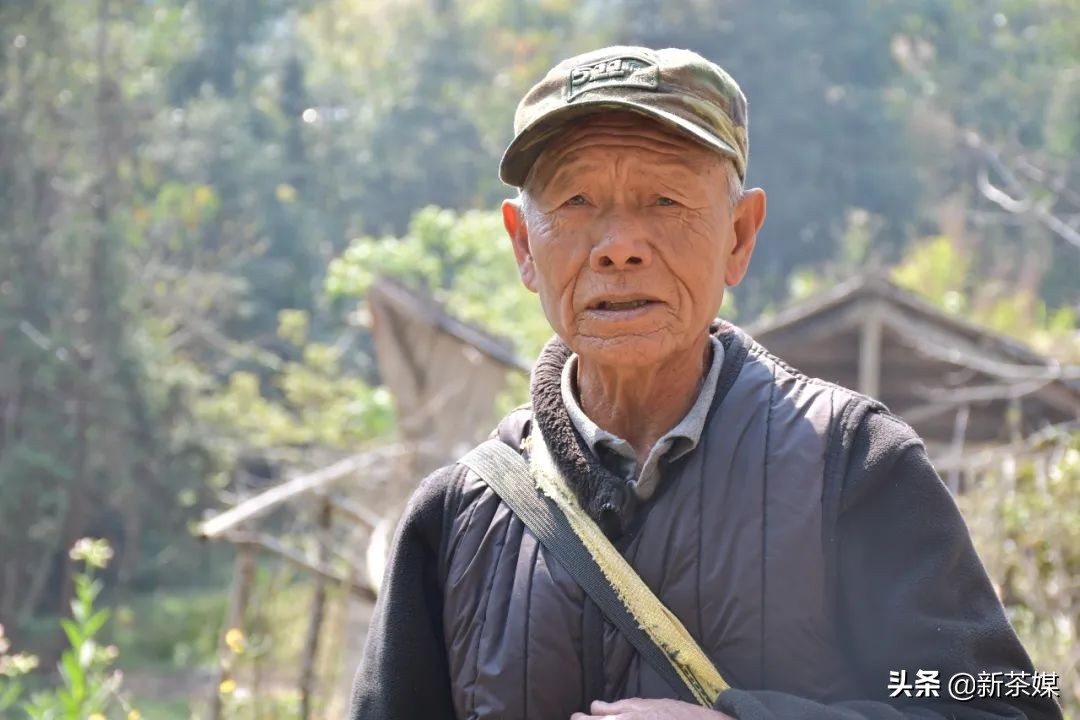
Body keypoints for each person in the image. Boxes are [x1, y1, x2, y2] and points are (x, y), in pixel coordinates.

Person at [349, 46, 1062, 720]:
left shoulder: (851, 464)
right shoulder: (456, 520)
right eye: (575, 203)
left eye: (665, 200)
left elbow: (1000, 701)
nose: (619, 245)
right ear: (522, 245)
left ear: (740, 236)